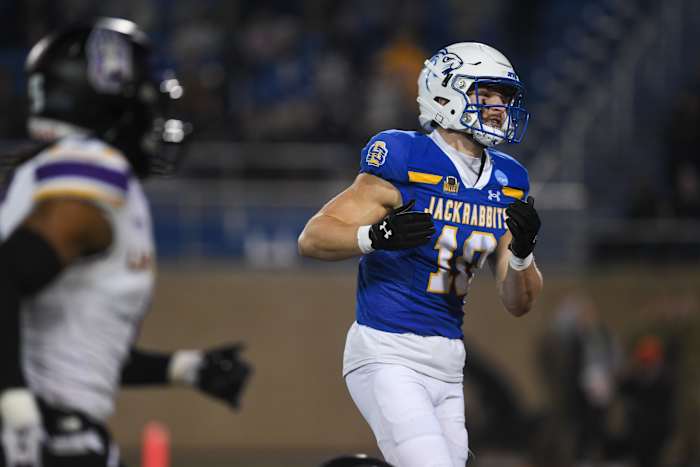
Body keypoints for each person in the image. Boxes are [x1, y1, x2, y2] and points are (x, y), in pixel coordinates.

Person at [0, 18, 250, 467]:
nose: (153, 110)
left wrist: (183, 368)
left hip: (57, 422)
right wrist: (15, 407)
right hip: (47, 432)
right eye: (143, 95)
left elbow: (71, 349)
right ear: (100, 99)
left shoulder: (46, 172)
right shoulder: (90, 172)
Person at [298, 42, 543, 467]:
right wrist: (374, 237)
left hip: (449, 363)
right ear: (447, 92)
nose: (499, 107)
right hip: (387, 350)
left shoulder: (509, 180)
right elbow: (313, 238)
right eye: (487, 95)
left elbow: (518, 302)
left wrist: (521, 254)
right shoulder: (405, 155)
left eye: (504, 98)